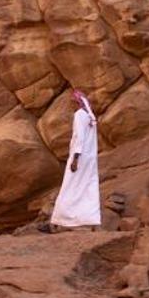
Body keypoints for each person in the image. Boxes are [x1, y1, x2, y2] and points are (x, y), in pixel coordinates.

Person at [49, 88, 101, 228]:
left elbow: (79, 137)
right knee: (88, 187)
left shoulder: (79, 115)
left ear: (78, 103)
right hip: (90, 159)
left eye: (73, 102)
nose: (71, 105)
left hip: (80, 157)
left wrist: (75, 159)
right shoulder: (91, 117)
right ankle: (89, 219)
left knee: (70, 186)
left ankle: (60, 221)